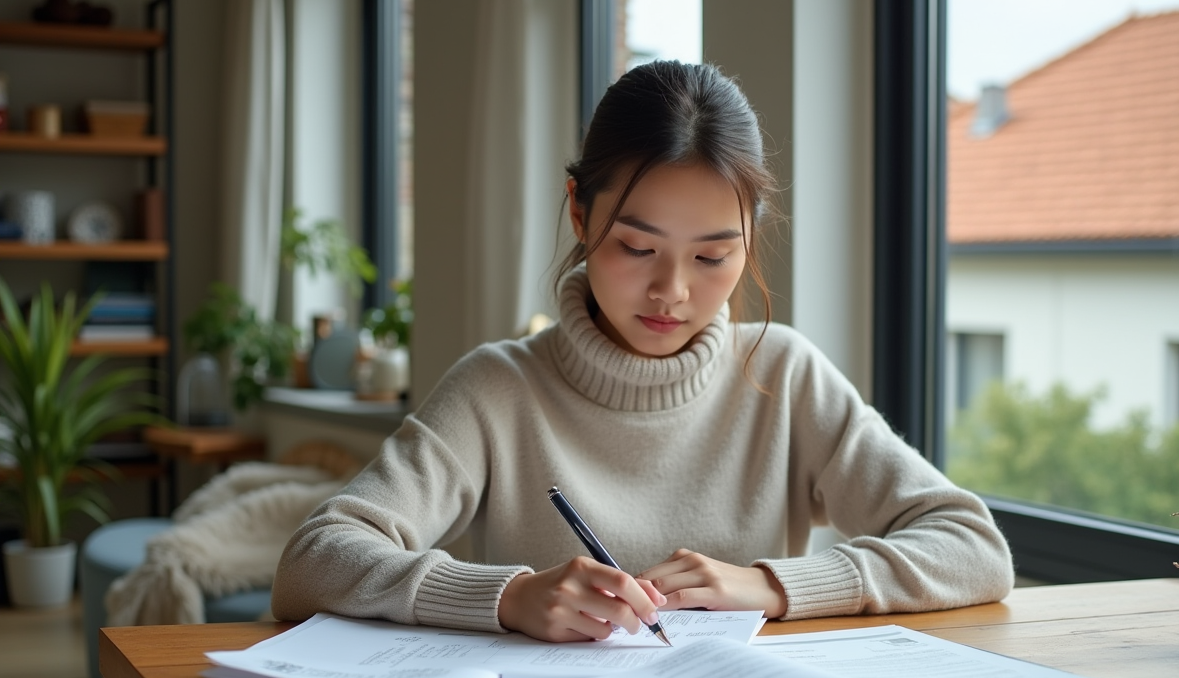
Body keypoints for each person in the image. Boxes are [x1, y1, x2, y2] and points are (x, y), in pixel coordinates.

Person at [272, 61, 1013, 642]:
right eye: (637, 246)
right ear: (578, 209)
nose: (673, 292)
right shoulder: (499, 389)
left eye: (714, 258)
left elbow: (974, 548)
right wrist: (506, 597)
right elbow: (312, 563)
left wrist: (774, 585)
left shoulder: (783, 376)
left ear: (749, 237)